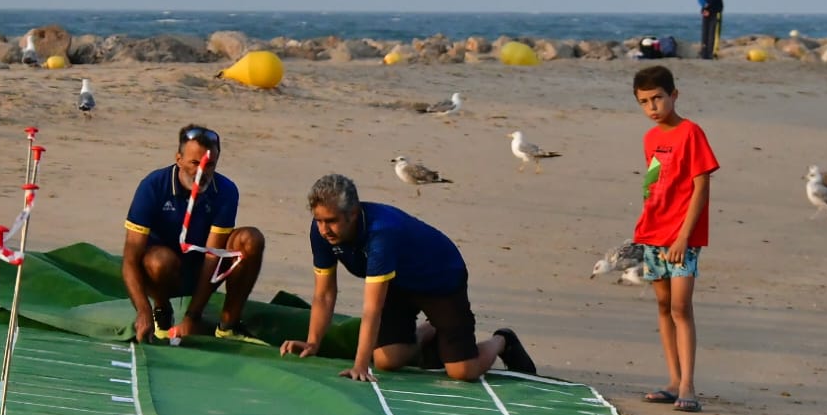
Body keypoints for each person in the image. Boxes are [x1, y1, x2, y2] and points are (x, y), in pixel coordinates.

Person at [279, 174, 536, 382]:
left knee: (462, 372)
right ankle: (432, 329)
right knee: (387, 361)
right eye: (319, 220)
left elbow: (372, 310)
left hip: (439, 278)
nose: (324, 229)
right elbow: (324, 294)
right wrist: (313, 342)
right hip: (396, 281)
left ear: (353, 214)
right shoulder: (321, 233)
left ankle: (502, 340)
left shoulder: (381, 234)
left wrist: (359, 366)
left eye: (331, 221)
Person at [122, 124, 265, 342]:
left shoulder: (226, 191)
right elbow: (130, 259)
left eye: (209, 165)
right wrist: (142, 311)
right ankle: (161, 311)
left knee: (251, 239)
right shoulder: (153, 186)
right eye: (194, 163)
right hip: (162, 271)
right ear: (178, 159)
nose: (201, 172)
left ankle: (228, 325)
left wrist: (192, 316)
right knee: (160, 261)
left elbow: (212, 255)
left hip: (203, 268)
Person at [631, 65, 720, 412]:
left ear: (673, 96)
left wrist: (684, 236)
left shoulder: (691, 133)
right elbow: (653, 184)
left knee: (682, 307)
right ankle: (672, 379)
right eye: (644, 102)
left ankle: (688, 385)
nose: (652, 107)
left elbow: (701, 187)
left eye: (657, 98)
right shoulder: (650, 138)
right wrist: (644, 225)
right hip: (653, 234)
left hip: (683, 237)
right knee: (663, 306)